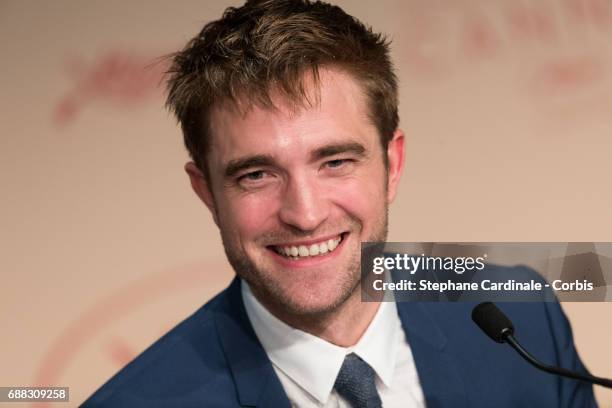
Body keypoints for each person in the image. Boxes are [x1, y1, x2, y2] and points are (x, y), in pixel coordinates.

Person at [82, 0, 597, 407]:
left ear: (391, 165)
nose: (305, 214)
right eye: (256, 174)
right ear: (206, 192)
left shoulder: (522, 318)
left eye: (334, 162)